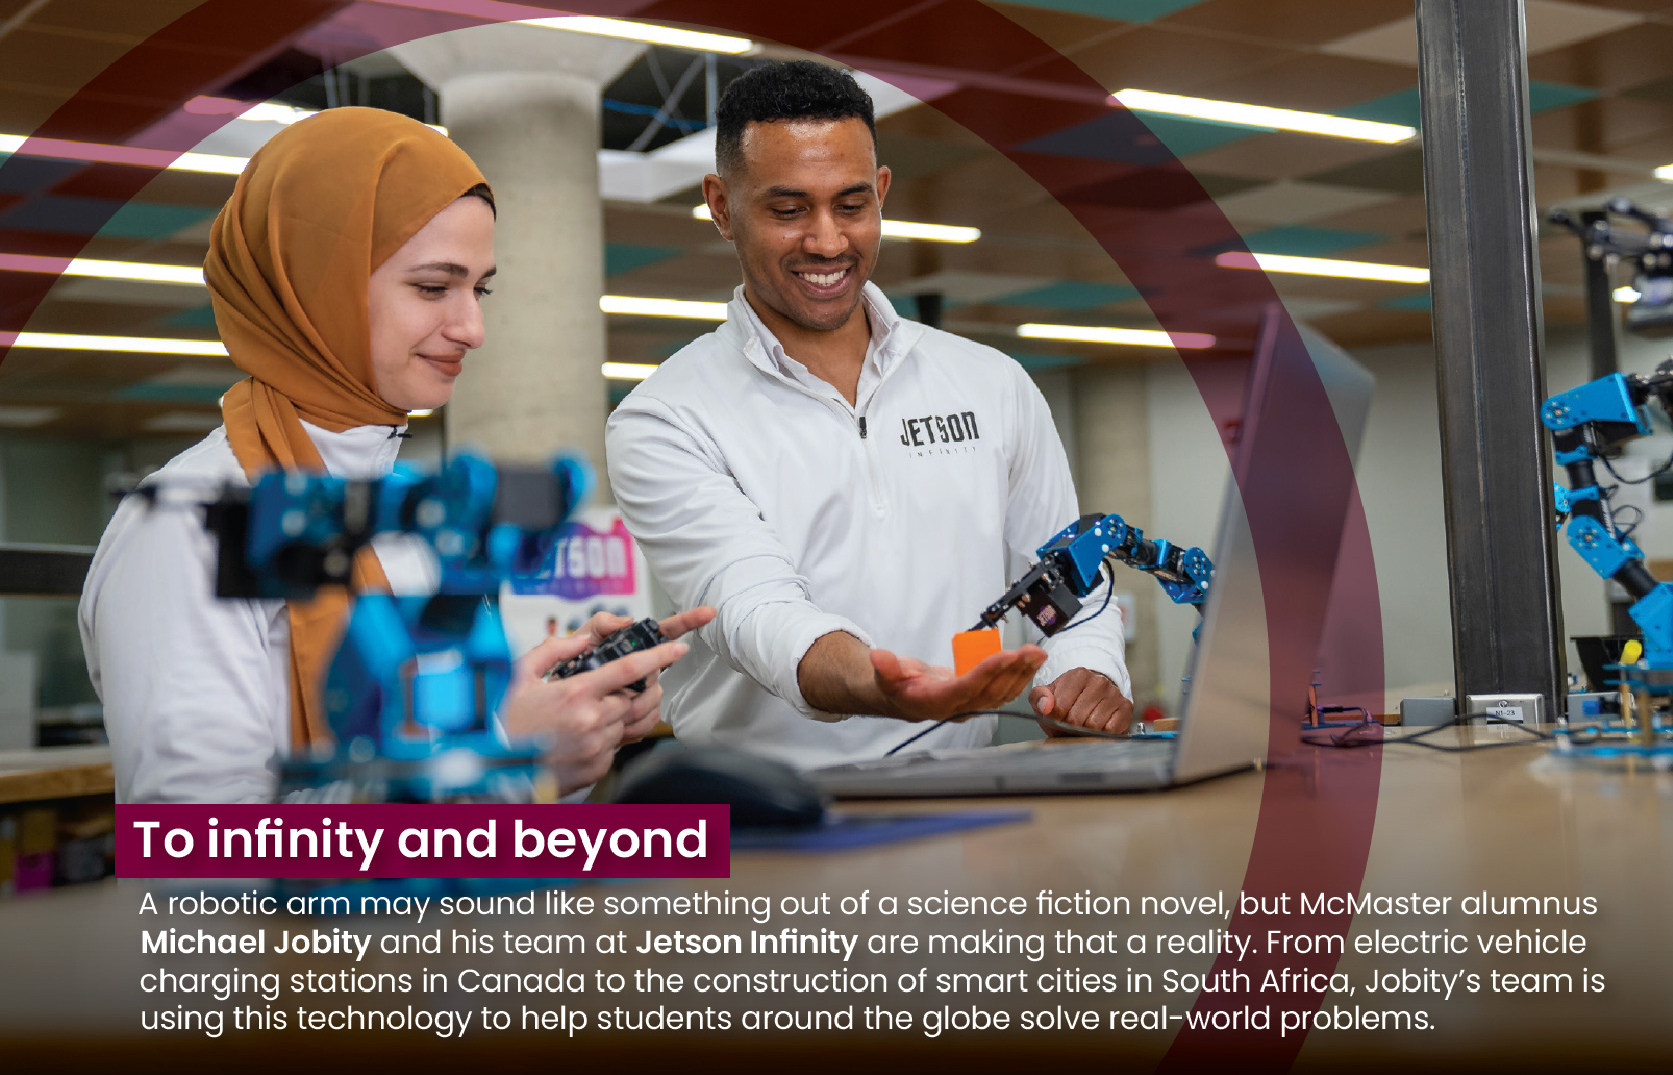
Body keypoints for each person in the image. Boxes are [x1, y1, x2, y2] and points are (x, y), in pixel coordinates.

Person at [79, 106, 710, 803]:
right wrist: (503, 752)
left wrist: (554, 716)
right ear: (315, 284)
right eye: (433, 287)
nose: (472, 327)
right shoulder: (188, 525)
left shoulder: (405, 508)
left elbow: (440, 780)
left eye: (481, 288)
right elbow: (194, 856)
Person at [607, 61, 1130, 771]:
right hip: (768, 824)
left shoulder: (990, 383)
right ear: (721, 206)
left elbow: (1066, 575)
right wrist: (885, 686)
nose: (826, 243)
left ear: (881, 193)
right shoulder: (665, 418)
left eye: (850, 205)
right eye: (787, 210)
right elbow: (756, 612)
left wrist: (1086, 669)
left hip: (970, 802)